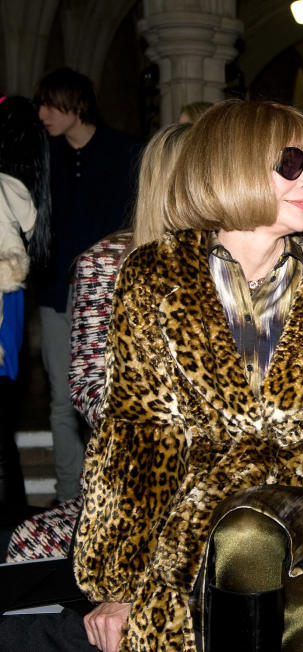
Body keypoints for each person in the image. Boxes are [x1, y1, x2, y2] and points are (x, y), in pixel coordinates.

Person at [73, 100, 303, 652]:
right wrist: (116, 584)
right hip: (193, 506)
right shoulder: (156, 274)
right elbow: (139, 432)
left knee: (249, 532)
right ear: (235, 165)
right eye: (292, 162)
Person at [5, 123, 191, 563]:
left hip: (227, 483)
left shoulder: (244, 261)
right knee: (29, 547)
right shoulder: (107, 263)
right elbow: (90, 387)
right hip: (137, 477)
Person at [33, 67, 141, 503]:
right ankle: (68, 498)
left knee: (117, 396)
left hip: (111, 296)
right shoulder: (45, 157)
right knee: (63, 397)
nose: (42, 113)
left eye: (50, 103)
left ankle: (113, 493)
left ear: (76, 105)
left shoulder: (124, 151)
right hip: (58, 295)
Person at [0, 95, 51, 521]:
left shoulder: (8, 184)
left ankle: (12, 511)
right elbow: (36, 231)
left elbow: (35, 234)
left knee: (2, 410)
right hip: (7, 295)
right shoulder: (10, 184)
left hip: (5, 295)